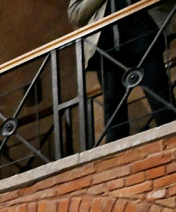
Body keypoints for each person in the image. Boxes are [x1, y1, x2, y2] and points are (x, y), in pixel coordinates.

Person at [69, 0, 176, 143]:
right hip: (107, 44)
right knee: (113, 104)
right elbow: (75, 14)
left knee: (159, 92)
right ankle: (115, 150)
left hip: (143, 33)